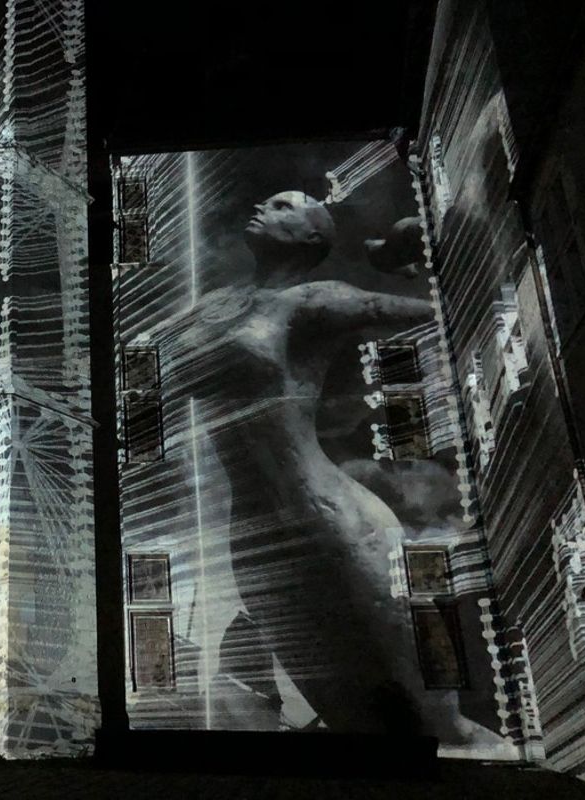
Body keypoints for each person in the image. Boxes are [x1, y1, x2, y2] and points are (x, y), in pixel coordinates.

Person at [164, 191, 499, 744]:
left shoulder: (316, 299)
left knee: (438, 718)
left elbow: (437, 313)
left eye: (283, 207)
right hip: (254, 532)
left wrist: (421, 257)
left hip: (329, 515)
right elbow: (148, 365)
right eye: (267, 202)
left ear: (312, 237)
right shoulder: (216, 305)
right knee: (347, 717)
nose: (263, 208)